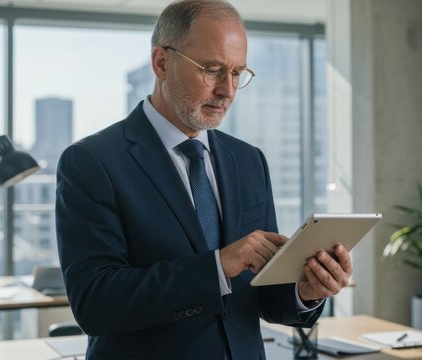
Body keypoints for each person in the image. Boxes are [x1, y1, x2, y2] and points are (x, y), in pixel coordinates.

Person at [55, 1, 353, 359]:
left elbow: (261, 297)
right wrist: (218, 266)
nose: (228, 90)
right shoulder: (92, 162)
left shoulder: (249, 161)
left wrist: (307, 289)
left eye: (238, 73)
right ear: (162, 63)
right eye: (212, 70)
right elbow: (96, 304)